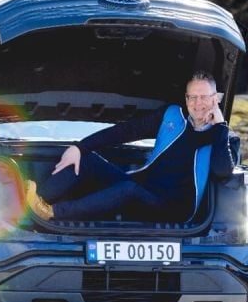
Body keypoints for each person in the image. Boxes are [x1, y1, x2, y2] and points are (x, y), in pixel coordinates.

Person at [27, 71, 235, 222]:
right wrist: (80, 147)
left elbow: (223, 171)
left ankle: (53, 213)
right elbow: (128, 131)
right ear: (186, 98)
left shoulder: (221, 136)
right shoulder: (173, 116)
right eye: (193, 97)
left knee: (129, 189)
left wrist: (220, 127)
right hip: (143, 187)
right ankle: (34, 204)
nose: (198, 103)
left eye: (205, 97)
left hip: (173, 209)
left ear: (215, 99)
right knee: (86, 158)